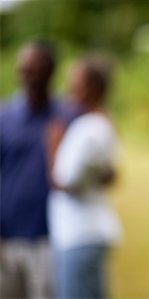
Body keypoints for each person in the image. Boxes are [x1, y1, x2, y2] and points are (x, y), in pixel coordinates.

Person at [0, 40, 71, 299]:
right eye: (22, 68)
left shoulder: (66, 117)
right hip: (6, 237)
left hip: (48, 237)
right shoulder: (4, 116)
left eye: (32, 68)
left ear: (50, 71)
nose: (25, 74)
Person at [47, 55, 121, 299]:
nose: (68, 86)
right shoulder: (98, 124)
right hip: (83, 234)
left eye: (75, 80)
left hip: (79, 235)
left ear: (92, 88)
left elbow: (65, 182)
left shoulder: (90, 130)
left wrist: (53, 146)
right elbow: (109, 175)